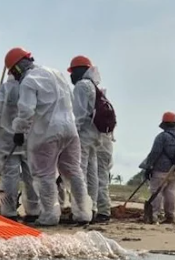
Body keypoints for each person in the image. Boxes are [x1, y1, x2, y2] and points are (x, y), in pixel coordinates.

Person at [7, 47, 92, 226]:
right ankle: (83, 214)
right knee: (74, 172)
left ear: (17, 69)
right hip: (70, 131)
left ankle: (50, 216)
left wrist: (19, 131)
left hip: (46, 134)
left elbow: (26, 111)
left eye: (13, 73)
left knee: (44, 174)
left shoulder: (29, 81)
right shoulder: (56, 73)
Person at [0, 74, 40, 222]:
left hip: (7, 141)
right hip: (28, 139)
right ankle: (33, 211)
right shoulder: (29, 88)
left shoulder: (4, 89)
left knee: (10, 177)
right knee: (31, 177)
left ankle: (9, 212)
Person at [68, 55, 104, 222]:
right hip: (95, 135)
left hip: (83, 134)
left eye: (73, 72)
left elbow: (79, 114)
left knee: (79, 171)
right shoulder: (95, 86)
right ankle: (93, 207)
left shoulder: (82, 86)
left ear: (80, 71)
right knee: (92, 173)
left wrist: (72, 135)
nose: (71, 76)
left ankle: (81, 211)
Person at [139, 112, 175, 224]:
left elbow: (154, 153)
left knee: (156, 192)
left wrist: (148, 167)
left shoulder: (162, 137)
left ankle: (153, 216)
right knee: (171, 192)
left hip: (161, 170)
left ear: (164, 125)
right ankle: (170, 216)